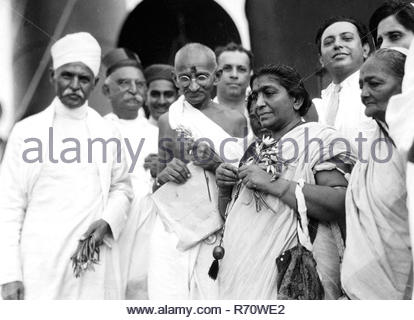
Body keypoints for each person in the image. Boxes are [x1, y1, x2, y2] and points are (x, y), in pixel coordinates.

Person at [0, 32, 133, 299]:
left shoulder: (107, 133)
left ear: (95, 83)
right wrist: (9, 274)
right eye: (66, 76)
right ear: (52, 76)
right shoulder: (27, 132)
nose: (74, 85)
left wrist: (108, 221)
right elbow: (9, 205)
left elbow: (123, 188)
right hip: (38, 265)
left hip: (90, 265)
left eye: (83, 79)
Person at [216, 64, 354, 299]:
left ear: (297, 100)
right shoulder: (254, 149)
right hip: (239, 276)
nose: (258, 103)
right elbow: (230, 217)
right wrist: (225, 191)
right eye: (255, 96)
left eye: (269, 93)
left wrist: (274, 184)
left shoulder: (320, 139)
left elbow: (340, 202)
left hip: (290, 281)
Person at [147, 42, 249, 299]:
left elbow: (246, 179)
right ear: (175, 79)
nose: (193, 86)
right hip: (175, 229)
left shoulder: (235, 120)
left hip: (217, 226)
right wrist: (164, 173)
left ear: (216, 77)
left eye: (202, 77)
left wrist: (215, 163)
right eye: (185, 78)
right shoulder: (168, 120)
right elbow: (158, 183)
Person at [341, 48, 413, 299]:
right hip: (359, 295)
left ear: (408, 84)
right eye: (361, 85)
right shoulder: (374, 142)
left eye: (374, 84)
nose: (363, 93)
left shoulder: (408, 141)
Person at [102, 48, 158, 299]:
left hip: (148, 223)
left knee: (141, 290)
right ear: (106, 90)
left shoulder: (158, 133)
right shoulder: (97, 130)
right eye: (123, 83)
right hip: (110, 223)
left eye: (139, 84)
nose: (133, 90)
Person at [315, 17, 377, 157]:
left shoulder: (379, 91)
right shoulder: (320, 104)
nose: (337, 45)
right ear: (321, 60)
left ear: (365, 49)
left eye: (347, 38)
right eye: (329, 42)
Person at [143, 64, 179, 178]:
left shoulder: (185, 134)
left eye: (168, 94)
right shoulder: (132, 132)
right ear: (145, 97)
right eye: (155, 94)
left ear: (177, 98)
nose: (161, 101)